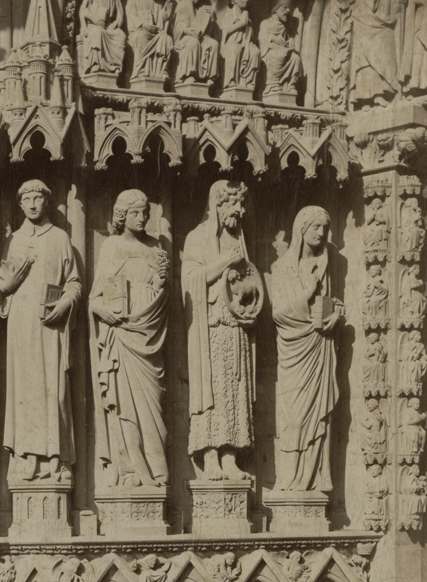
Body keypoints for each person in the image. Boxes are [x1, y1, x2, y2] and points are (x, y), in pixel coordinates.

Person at [0, 179, 80, 483]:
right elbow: (1, 286)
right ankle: (28, 456)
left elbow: (74, 281)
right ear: (19, 204)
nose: (32, 204)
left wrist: (66, 303)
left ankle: (55, 457)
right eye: (26, 199)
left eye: (37, 198)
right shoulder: (15, 240)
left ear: (47, 201)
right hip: (21, 324)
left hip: (50, 325)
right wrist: (7, 286)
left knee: (53, 390)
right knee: (25, 390)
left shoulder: (60, 238)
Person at [181, 180, 263, 482]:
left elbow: (249, 279)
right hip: (209, 328)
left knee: (234, 391)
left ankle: (230, 456)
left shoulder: (238, 239)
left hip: (236, 328)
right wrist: (223, 263)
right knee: (212, 392)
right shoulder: (197, 237)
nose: (240, 211)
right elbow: (189, 280)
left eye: (241, 205)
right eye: (234, 204)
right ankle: (210, 455)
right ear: (218, 204)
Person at [90, 189, 169, 490]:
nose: (143, 218)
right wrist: (104, 312)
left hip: (150, 337)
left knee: (154, 409)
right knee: (123, 406)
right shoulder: (111, 247)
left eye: (146, 212)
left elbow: (163, 294)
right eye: (136, 213)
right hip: (121, 337)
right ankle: (129, 470)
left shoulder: (157, 247)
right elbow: (94, 298)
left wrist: (160, 285)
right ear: (121, 216)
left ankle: (155, 471)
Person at [268, 206, 345, 493]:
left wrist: (336, 315)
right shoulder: (282, 268)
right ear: (301, 229)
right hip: (294, 351)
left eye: (325, 228)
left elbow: (332, 302)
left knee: (320, 415)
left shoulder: (327, 264)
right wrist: (307, 293)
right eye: (316, 228)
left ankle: (315, 480)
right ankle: (290, 479)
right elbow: (279, 313)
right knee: (295, 417)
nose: (322, 233)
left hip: (321, 347)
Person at [350, 0, 400, 107]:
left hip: (385, 31)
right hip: (368, 32)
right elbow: (362, 12)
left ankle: (384, 93)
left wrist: (400, 4)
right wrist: (383, 21)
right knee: (369, 63)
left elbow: (393, 14)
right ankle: (368, 99)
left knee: (386, 62)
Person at [76, 0, 127, 81]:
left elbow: (120, 14)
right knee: (98, 33)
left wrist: (116, 23)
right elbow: (83, 9)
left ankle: (114, 66)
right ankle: (95, 64)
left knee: (121, 35)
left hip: (108, 27)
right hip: (94, 26)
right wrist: (89, 22)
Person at [125, 0, 174, 85]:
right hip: (140, 33)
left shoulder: (159, 3)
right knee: (140, 36)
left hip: (155, 35)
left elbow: (161, 26)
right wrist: (143, 25)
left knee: (166, 38)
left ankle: (162, 72)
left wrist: (165, 17)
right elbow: (131, 18)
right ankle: (140, 71)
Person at [173, 0, 219, 87]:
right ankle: (188, 75)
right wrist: (190, 31)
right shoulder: (182, 5)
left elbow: (207, 31)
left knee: (213, 43)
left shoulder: (202, 8)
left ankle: (210, 77)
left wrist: (211, 19)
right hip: (184, 38)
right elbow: (179, 26)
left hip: (198, 37)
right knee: (193, 42)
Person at [217, 0, 260, 95]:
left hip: (245, 44)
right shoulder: (229, 14)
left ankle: (248, 83)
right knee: (235, 49)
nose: (246, 0)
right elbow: (225, 31)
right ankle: (230, 82)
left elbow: (251, 36)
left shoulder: (247, 17)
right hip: (231, 44)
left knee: (256, 52)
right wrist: (241, 23)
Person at [258, 0, 304, 97]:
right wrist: (273, 38)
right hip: (270, 50)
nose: (288, 11)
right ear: (276, 9)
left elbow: (288, 38)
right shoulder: (266, 23)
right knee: (275, 55)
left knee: (296, 58)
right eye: (285, 8)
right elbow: (261, 39)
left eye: (289, 8)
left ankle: (290, 85)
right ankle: (272, 85)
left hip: (282, 50)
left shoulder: (285, 26)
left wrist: (291, 39)